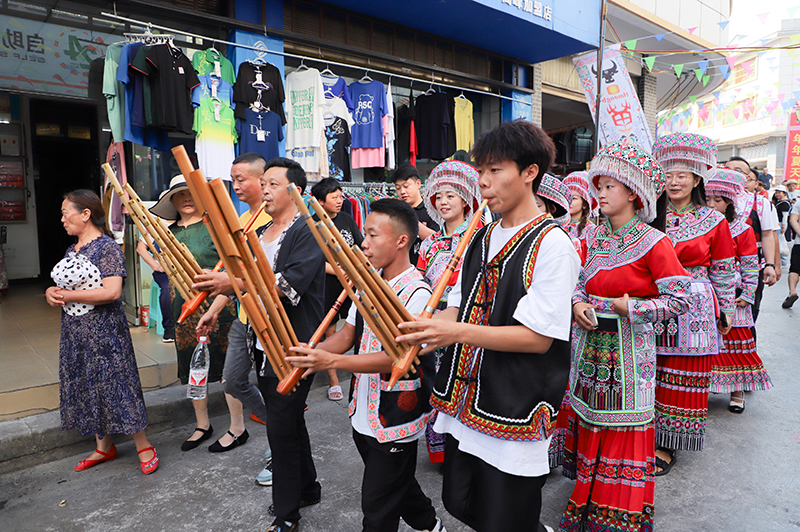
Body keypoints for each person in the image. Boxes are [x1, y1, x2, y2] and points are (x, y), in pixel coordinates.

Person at [396, 120, 580, 532]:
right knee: (458, 501)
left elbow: (536, 339)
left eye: (495, 170)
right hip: (468, 400)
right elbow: (459, 309)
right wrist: (418, 329)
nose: (483, 182)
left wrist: (454, 333)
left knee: (504, 517)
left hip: (514, 404)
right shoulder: (483, 235)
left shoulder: (553, 245)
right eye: (480, 172)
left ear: (530, 172)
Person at [287, 198, 446, 532]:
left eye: (373, 235)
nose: (364, 243)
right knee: (394, 483)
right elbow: (347, 334)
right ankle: (430, 525)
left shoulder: (417, 293)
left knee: (377, 508)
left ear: (401, 240)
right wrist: (311, 354)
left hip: (394, 415)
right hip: (363, 410)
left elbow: (398, 356)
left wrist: (333, 361)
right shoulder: (370, 282)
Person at [559, 142, 691, 532]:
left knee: (622, 430)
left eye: (608, 187)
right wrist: (578, 304)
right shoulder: (595, 238)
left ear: (633, 192)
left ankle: (616, 515)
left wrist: (632, 308)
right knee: (592, 424)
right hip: (589, 352)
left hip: (628, 356)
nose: (598, 193)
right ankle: (585, 503)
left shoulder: (655, 242)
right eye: (597, 186)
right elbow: (581, 283)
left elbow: (681, 300)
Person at [202, 157, 325, 532]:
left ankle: (287, 515)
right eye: (265, 184)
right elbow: (245, 280)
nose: (265, 190)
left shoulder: (310, 230)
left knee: (282, 426)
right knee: (286, 417)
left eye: (273, 184)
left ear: (295, 191)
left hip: (293, 343)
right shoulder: (262, 232)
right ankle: (308, 486)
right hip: (262, 339)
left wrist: (234, 286)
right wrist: (225, 286)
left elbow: (287, 288)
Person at [46, 190, 157, 474]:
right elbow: (66, 287)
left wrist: (68, 297)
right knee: (88, 383)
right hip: (75, 330)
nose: (62, 219)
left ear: (85, 214)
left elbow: (112, 291)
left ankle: (144, 445)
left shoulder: (106, 247)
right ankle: (104, 447)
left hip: (105, 331)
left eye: (65, 212)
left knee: (117, 383)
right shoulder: (73, 250)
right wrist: (51, 292)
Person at [652, 133, 736, 475]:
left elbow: (724, 268)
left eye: (681, 175)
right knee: (650, 370)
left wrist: (726, 308)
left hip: (695, 307)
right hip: (654, 301)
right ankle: (641, 434)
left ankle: (668, 443)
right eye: (668, 175)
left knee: (682, 374)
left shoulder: (714, 221)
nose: (673, 182)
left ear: (697, 179)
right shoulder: (649, 217)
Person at [194, 153, 274, 485]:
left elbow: (269, 279)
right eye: (233, 179)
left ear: (262, 180)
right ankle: (277, 424)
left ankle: (279, 447)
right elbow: (234, 278)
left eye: (242, 178)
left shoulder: (274, 219)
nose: (236, 185)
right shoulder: (239, 220)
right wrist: (213, 310)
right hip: (244, 317)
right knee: (233, 381)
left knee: (275, 388)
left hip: (271, 317)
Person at [149, 175, 238, 452]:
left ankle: (237, 426)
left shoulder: (214, 227)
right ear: (172, 201)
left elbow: (232, 266)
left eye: (191, 193)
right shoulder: (169, 233)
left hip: (219, 306)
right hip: (183, 309)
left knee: (228, 369)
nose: (186, 198)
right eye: (179, 195)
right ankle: (202, 425)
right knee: (194, 368)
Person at [415, 160, 482, 464]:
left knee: (465, 382)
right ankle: (440, 450)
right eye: (438, 196)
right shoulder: (431, 243)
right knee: (435, 380)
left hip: (468, 320)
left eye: (451, 196)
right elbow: (419, 279)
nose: (442, 201)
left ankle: (465, 448)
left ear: (467, 200)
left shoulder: (481, 237)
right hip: (434, 318)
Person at [705, 167, 772, 412]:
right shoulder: (701, 226)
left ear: (729, 202)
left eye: (718, 200)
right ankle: (706, 387)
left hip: (735, 296)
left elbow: (750, 265)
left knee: (738, 343)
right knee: (709, 344)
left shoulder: (742, 229)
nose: (712, 204)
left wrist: (747, 294)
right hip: (708, 295)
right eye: (708, 198)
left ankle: (737, 391)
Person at [310, 177, 364, 402]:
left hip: (352, 282)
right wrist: (337, 271)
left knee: (357, 324)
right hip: (326, 284)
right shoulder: (311, 224)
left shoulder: (346, 219)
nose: (340, 201)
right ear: (320, 201)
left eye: (341, 196)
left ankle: (361, 371)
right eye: (334, 197)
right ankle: (333, 380)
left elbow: (358, 246)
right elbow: (310, 260)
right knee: (329, 331)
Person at [726, 157, 780, 323]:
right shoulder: (713, 198)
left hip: (751, 267)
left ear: (747, 177)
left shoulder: (760, 202)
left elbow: (768, 235)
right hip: (719, 267)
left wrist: (771, 265)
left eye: (736, 170)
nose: (730, 173)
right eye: (726, 168)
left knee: (749, 311)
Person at [392, 164, 440, 264]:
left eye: (406, 186)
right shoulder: (395, 213)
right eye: (398, 188)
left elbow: (438, 240)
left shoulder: (432, 210)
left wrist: (414, 224)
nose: (402, 191)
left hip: (425, 269)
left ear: (418, 184)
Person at [135, 232, 174, 342]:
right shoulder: (156, 226)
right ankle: (169, 328)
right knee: (167, 288)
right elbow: (140, 248)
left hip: (184, 269)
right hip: (163, 271)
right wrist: (156, 266)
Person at [783, 200, 800, 308]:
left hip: (799, 243)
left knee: (795, 269)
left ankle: (792, 292)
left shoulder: (799, 202)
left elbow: (793, 220)